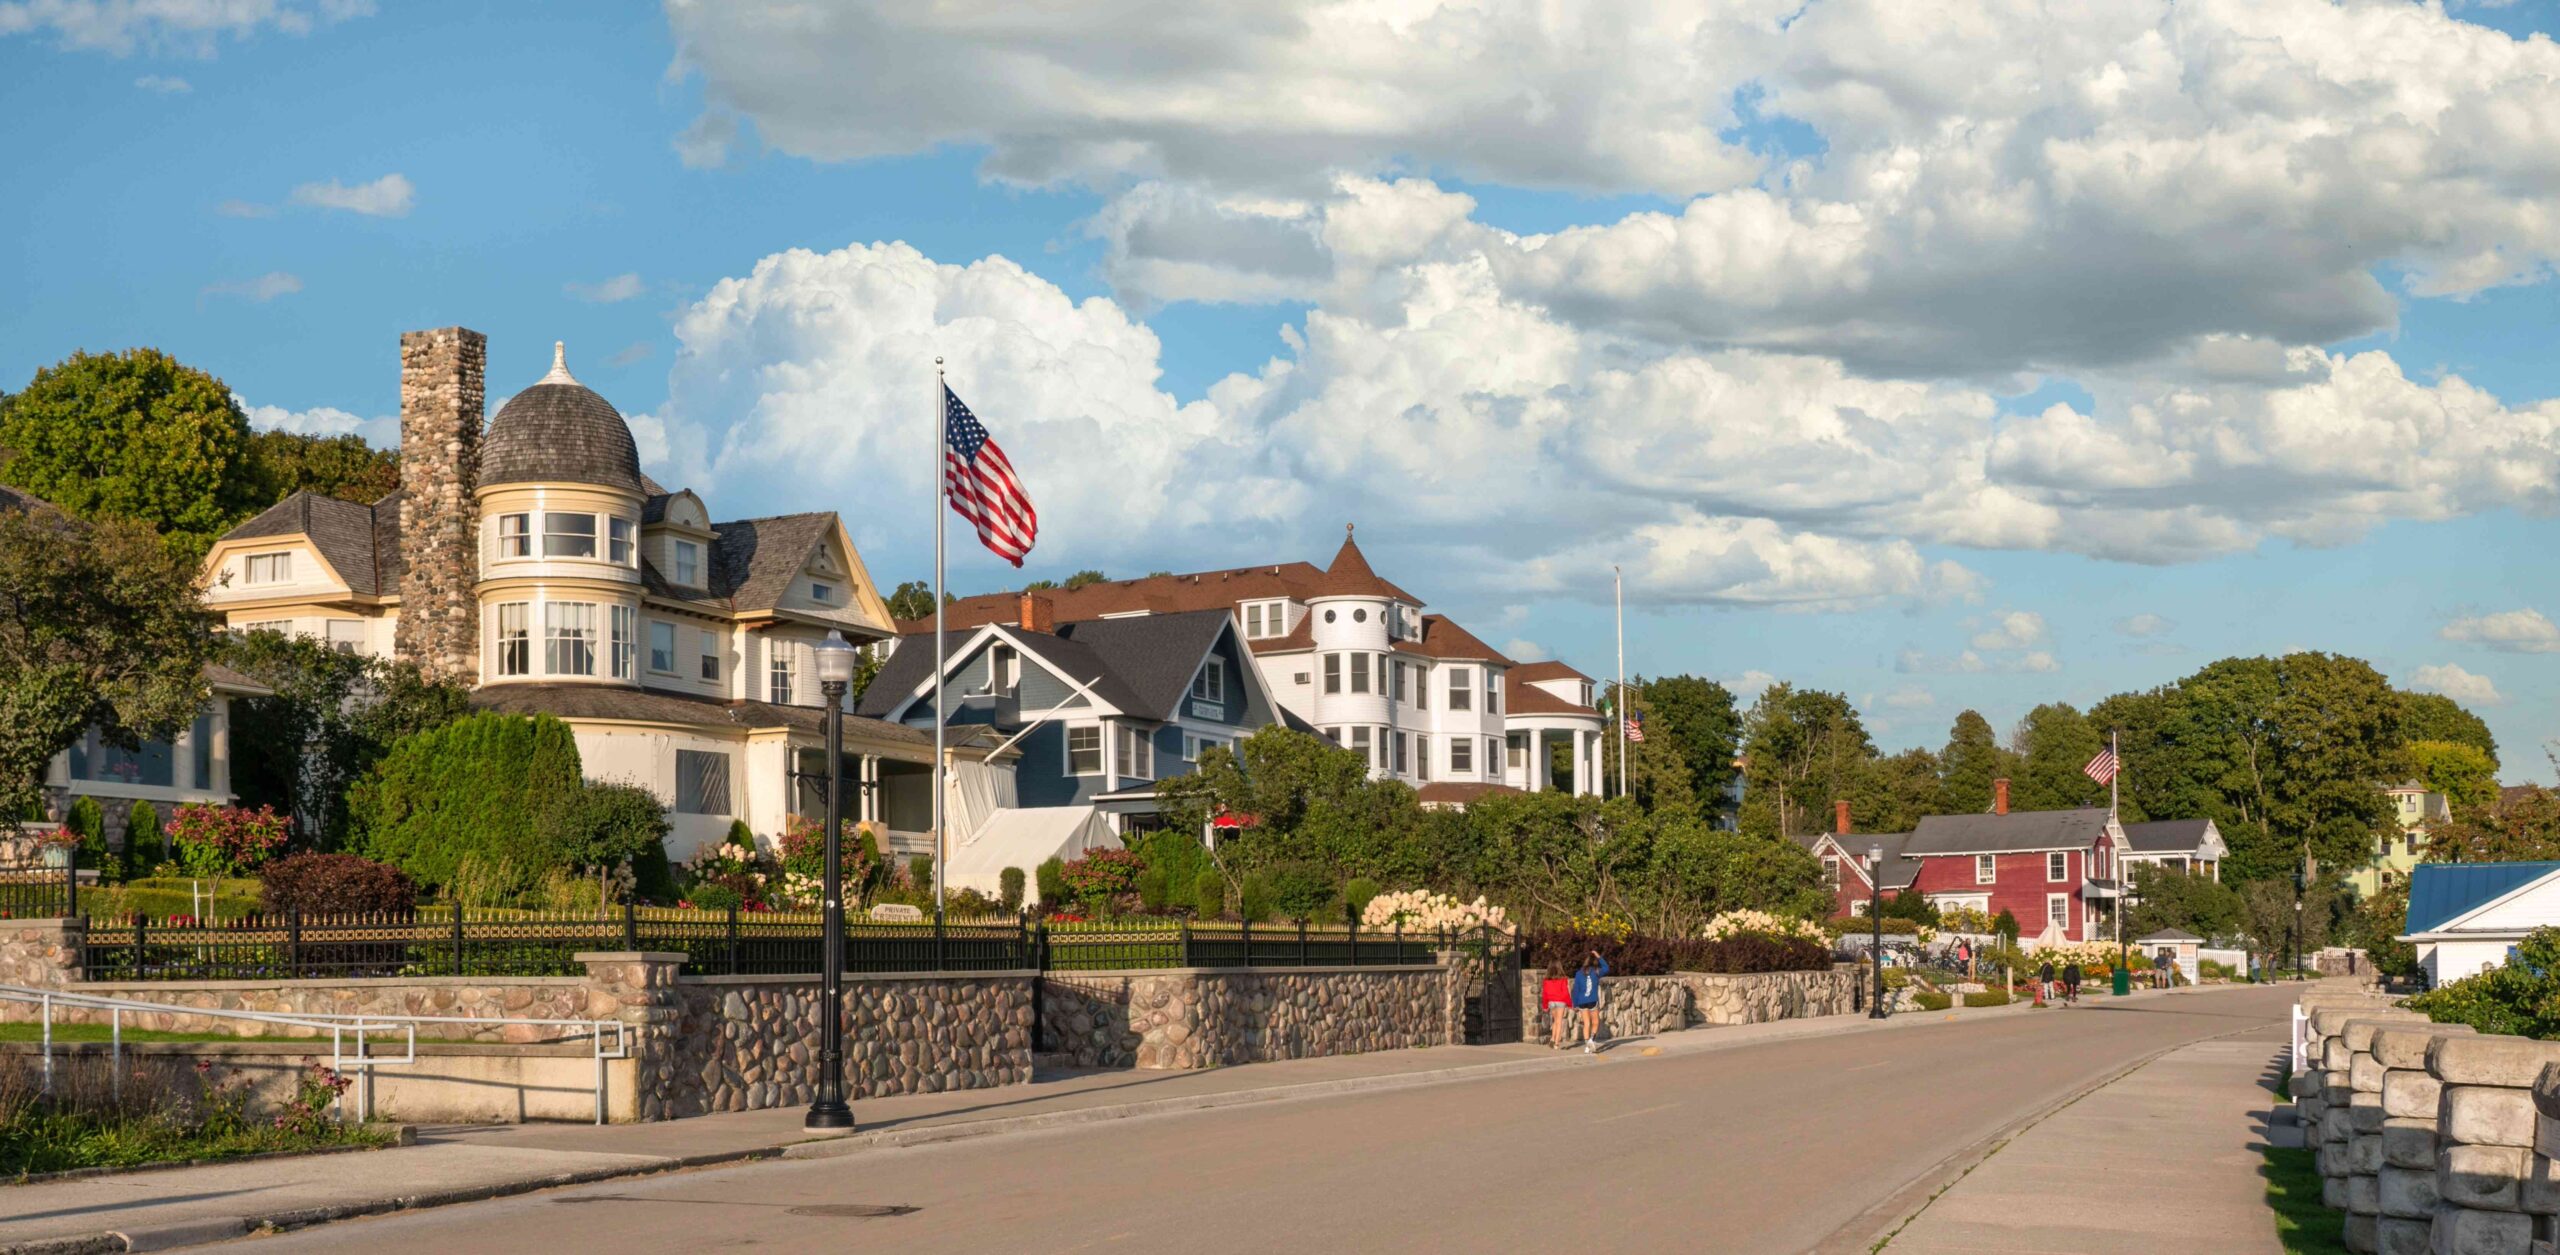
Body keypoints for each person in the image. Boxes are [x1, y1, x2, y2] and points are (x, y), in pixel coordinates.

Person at [1570, 949, 1610, 1054]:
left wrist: (1575, 1004)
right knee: (1595, 1022)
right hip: (1592, 1000)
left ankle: (1587, 1045)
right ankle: (1591, 1040)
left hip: (1582, 1001)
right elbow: (1606, 967)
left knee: (1586, 1023)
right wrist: (1599, 956)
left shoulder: (1578, 973)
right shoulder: (1596, 972)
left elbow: (1576, 990)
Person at [1542, 969, 1573, 1050]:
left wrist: (1545, 1006)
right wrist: (1569, 1004)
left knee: (1555, 1020)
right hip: (1560, 1001)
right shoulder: (1563, 979)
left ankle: (1552, 1038)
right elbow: (1566, 992)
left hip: (1551, 1001)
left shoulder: (1546, 979)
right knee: (1559, 1021)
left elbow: (1545, 993)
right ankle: (1556, 1043)